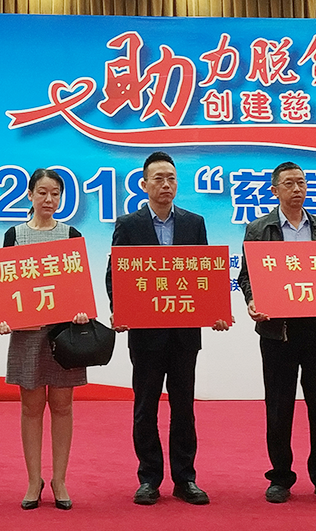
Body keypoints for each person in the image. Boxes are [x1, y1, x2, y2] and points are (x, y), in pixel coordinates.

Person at [105, 151, 230, 507]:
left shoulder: (194, 223)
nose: (165, 184)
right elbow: (115, 274)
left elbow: (205, 273)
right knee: (146, 406)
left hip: (184, 333)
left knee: (183, 407)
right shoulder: (129, 224)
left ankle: (185, 478)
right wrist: (119, 310)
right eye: (158, 178)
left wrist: (216, 310)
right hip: (146, 333)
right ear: (144, 184)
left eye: (171, 178)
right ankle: (149, 478)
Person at [237, 161, 316, 505]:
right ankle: (280, 477)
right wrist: (252, 300)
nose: (297, 189)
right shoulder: (260, 229)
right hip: (278, 331)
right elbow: (246, 275)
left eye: (301, 182)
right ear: (275, 190)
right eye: (289, 183)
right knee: (279, 405)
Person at [0, 168, 89, 511]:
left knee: (63, 406)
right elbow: (4, 286)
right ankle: (34, 480)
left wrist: (81, 310)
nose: (49, 199)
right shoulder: (15, 235)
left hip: (63, 335)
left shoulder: (71, 234)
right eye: (43, 193)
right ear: (30, 195)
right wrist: (2, 317)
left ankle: (59, 479)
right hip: (27, 334)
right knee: (31, 407)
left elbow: (79, 286)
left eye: (55, 194)